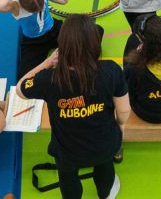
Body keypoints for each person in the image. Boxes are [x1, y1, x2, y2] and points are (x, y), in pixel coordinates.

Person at [17, 14, 130, 199]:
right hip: (104, 144)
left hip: (67, 150)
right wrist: (121, 125)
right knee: (105, 166)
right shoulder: (111, 70)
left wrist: (47, 63)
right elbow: (124, 110)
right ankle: (105, 195)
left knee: (68, 177)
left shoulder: (49, 79)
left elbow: (20, 89)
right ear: (95, 43)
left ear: (62, 46)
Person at [0, 0, 69, 78]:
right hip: (34, 42)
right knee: (25, 78)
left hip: (54, 29)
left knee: (94, 33)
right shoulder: (15, 6)